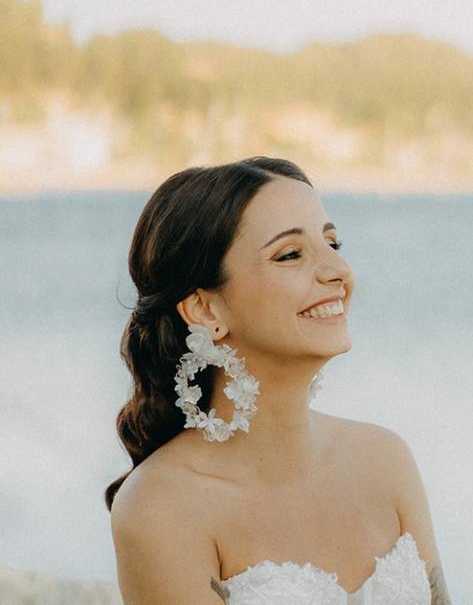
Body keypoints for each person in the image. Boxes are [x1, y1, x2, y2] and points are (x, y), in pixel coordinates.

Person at [105, 157, 452, 604]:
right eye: (290, 254)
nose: (338, 272)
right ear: (206, 309)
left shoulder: (386, 460)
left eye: (333, 242)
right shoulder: (161, 506)